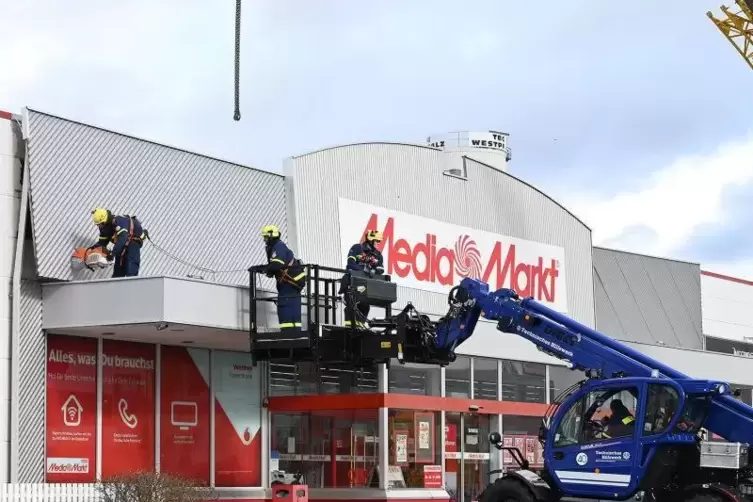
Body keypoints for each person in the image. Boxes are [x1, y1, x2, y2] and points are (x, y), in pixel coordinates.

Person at [262, 225, 306, 333]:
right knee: (293, 309)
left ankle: (287, 333)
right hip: (293, 284)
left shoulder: (278, 247)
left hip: (288, 284)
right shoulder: (281, 246)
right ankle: (294, 332)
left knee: (285, 307)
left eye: (266, 237)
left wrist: (264, 269)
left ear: (271, 236)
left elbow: (277, 264)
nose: (264, 240)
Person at [341, 229, 384, 329]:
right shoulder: (357, 248)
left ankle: (359, 329)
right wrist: (365, 269)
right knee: (351, 307)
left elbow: (381, 269)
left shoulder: (378, 255)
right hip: (352, 284)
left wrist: (375, 267)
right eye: (377, 241)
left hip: (366, 286)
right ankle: (350, 330)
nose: (378, 244)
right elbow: (350, 264)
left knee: (365, 307)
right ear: (370, 240)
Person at [89, 208, 147, 278]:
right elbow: (102, 242)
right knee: (118, 273)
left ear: (105, 221)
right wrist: (91, 250)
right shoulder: (105, 228)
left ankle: (132, 285)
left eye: (100, 224)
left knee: (131, 270)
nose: (99, 226)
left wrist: (112, 254)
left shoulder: (119, 221)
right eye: (98, 225)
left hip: (133, 241)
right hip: (122, 245)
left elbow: (122, 240)